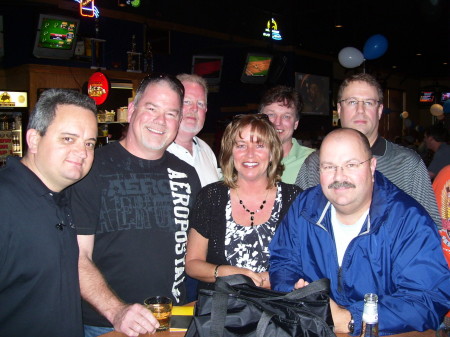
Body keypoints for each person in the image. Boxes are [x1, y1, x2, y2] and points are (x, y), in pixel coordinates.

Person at [270, 128, 450, 336]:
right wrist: (294, 293)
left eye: (351, 165)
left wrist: (351, 318)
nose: (339, 176)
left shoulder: (407, 219)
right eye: (329, 166)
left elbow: (428, 298)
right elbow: (282, 259)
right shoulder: (304, 207)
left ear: (372, 166)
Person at [69, 74, 202, 337]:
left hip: (174, 318)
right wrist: (116, 310)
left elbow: (196, 252)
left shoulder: (187, 175)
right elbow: (76, 256)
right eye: (151, 108)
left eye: (171, 113)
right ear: (132, 110)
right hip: (106, 323)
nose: (160, 121)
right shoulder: (91, 168)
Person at [0, 89, 98, 337]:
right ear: (33, 140)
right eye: (68, 139)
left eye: (89, 143)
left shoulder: (60, 198)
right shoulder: (5, 201)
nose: (82, 152)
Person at [295, 73, 441, 228]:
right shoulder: (315, 164)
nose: (360, 110)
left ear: (379, 110)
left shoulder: (407, 164)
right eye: (352, 102)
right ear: (339, 109)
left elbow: (431, 229)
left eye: (369, 103)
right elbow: (296, 224)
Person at [185, 114, 302, 290]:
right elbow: (192, 264)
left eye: (260, 145)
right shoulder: (211, 196)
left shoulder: (295, 198)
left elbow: (308, 260)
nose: (250, 154)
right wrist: (227, 273)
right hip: (221, 311)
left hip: (279, 311)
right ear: (230, 152)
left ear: (272, 153)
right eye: (241, 145)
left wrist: (278, 278)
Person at [167, 73, 221, 186]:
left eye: (200, 104)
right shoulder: (155, 151)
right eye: (187, 101)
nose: (195, 108)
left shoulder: (206, 150)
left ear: (206, 110)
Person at [259, 85, 315, 184]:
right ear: (259, 119)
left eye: (286, 116)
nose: (277, 122)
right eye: (271, 115)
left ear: (296, 123)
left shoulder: (313, 161)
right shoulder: (244, 158)